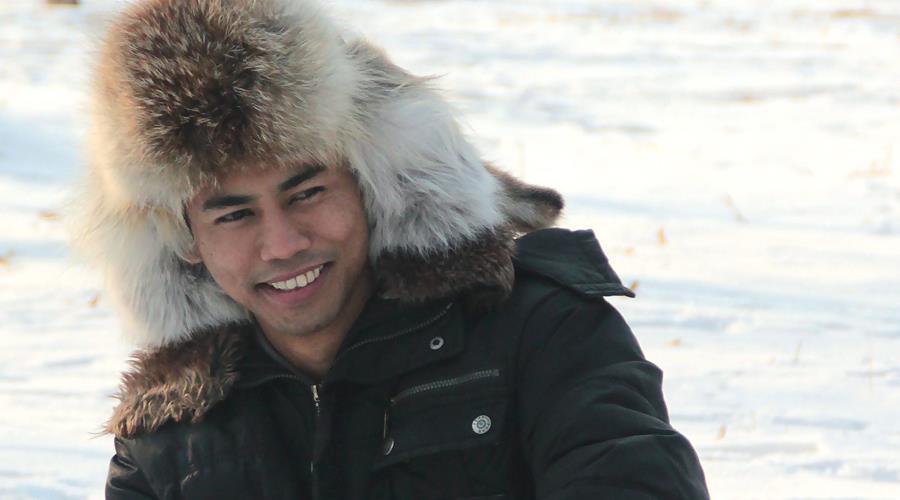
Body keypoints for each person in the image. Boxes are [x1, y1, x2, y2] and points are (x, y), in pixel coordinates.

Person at [73, 0, 709, 498]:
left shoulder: (539, 331)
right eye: (235, 215)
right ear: (185, 240)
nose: (284, 244)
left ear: (372, 186)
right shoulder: (170, 434)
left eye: (307, 192)